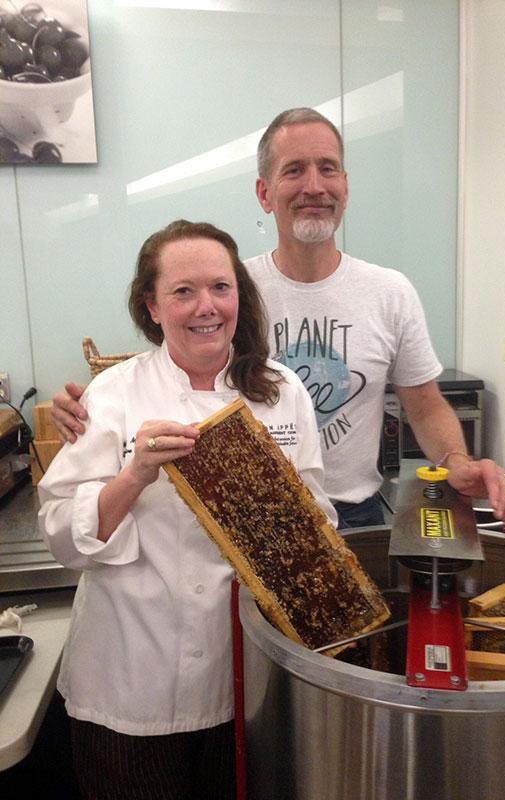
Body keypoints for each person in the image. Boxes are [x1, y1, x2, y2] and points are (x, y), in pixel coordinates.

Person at [51, 108, 505, 529]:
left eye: (327, 168)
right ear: (264, 192)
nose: (314, 185)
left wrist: (458, 460)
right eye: (294, 170)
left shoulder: (389, 293)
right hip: (250, 518)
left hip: (356, 513)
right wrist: (92, 406)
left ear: (346, 187)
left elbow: (426, 404)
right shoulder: (230, 289)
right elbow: (176, 366)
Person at [38, 220, 336, 800]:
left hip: (245, 684)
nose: (207, 306)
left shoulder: (282, 391)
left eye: (221, 288)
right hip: (130, 687)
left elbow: (315, 526)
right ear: (152, 306)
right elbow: (61, 538)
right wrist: (136, 475)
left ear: (239, 298)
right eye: (183, 291)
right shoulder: (111, 395)